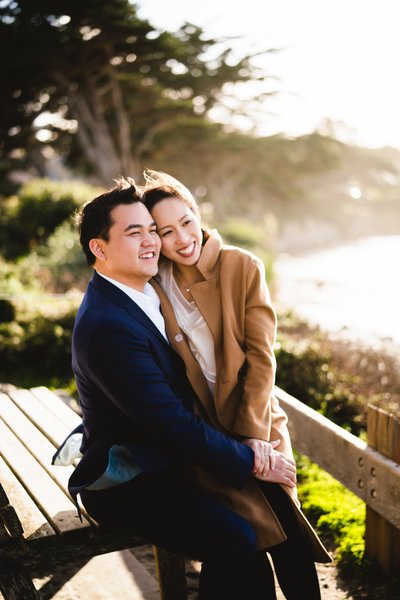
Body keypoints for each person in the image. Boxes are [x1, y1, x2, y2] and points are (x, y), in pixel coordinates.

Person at [62, 177, 301, 600]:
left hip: (166, 457)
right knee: (234, 538)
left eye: (151, 230)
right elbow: (169, 423)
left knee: (253, 539)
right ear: (99, 249)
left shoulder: (144, 293)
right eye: (134, 233)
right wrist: (249, 460)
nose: (152, 241)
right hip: (132, 479)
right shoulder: (108, 326)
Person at [141, 170, 332, 598]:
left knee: (287, 532)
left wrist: (252, 438)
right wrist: (221, 445)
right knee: (244, 538)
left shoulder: (241, 266)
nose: (182, 238)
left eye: (186, 221)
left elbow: (262, 358)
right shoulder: (155, 283)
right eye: (166, 231)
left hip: (256, 420)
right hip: (207, 434)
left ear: (197, 213)